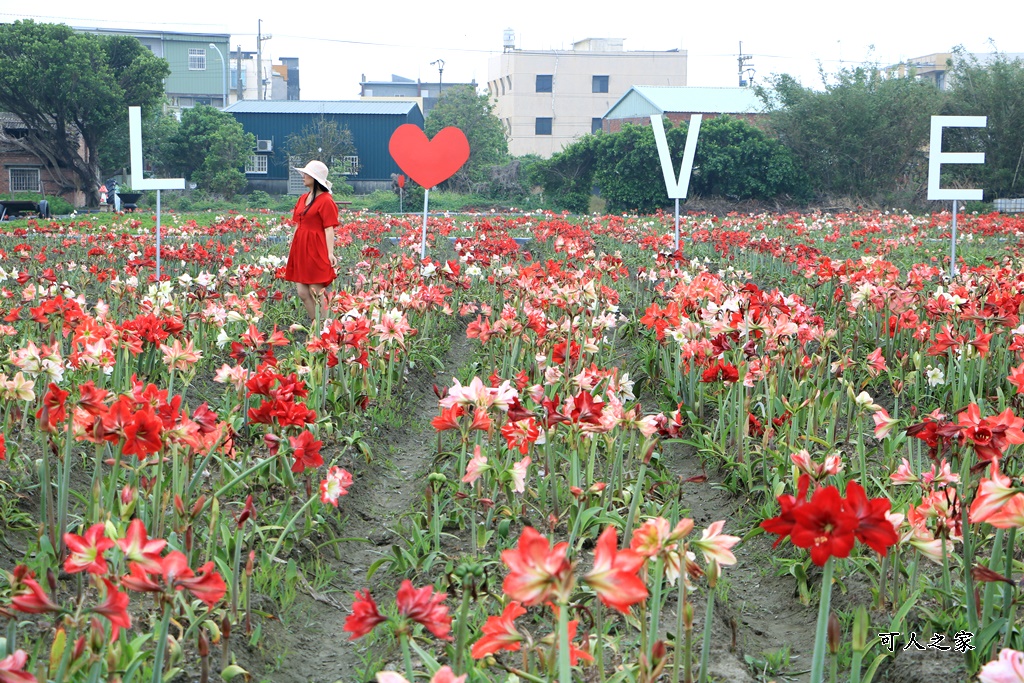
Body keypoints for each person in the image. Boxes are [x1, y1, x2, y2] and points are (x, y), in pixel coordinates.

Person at [284, 160, 339, 323]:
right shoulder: (302, 199)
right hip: (300, 248)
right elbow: (298, 224)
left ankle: (324, 326)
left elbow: (329, 228)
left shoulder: (326, 200)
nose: (303, 177)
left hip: (315, 247)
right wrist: (292, 247)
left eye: (306, 174)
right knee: (302, 292)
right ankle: (317, 324)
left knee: (316, 291)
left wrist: (330, 253)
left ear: (315, 178)